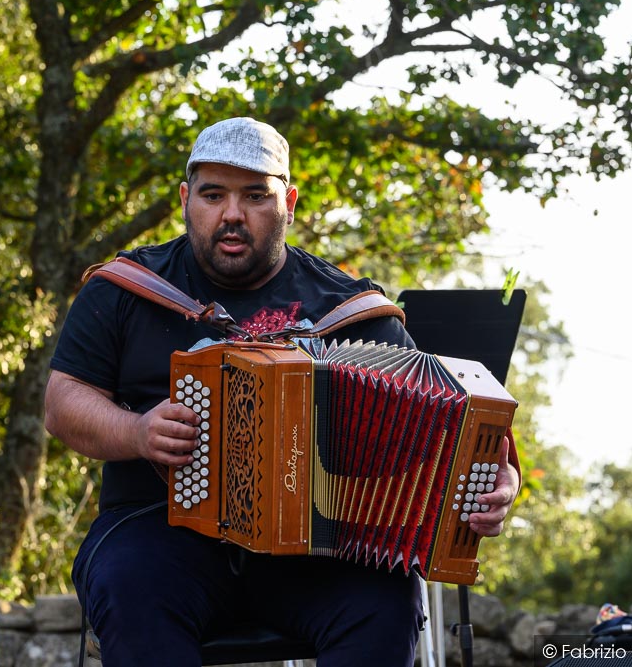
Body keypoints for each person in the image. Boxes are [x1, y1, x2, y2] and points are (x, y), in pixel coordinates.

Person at [45, 117, 520, 667]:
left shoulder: (352, 309)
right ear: (184, 199)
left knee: (387, 602)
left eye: (254, 196)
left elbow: (454, 428)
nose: (231, 214)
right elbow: (62, 402)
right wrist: (137, 430)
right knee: (129, 589)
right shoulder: (128, 288)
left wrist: (494, 484)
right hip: (159, 532)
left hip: (319, 552)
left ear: (289, 202)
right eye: (212, 194)